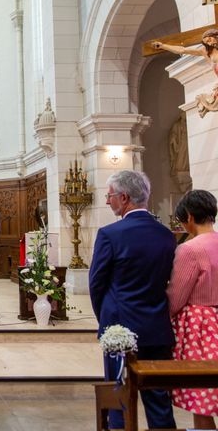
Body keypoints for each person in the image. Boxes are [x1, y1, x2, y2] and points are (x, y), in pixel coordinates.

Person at [89, 170, 177, 430]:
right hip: (156, 328)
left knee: (119, 394)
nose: (108, 201)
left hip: (120, 330)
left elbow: (96, 284)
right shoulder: (166, 235)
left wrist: (106, 319)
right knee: (159, 399)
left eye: (110, 196)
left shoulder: (110, 234)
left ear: (124, 197)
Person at [166, 190, 218, 430]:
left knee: (202, 395)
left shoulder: (190, 249)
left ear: (188, 216)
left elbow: (177, 297)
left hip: (202, 326)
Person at [153, 29, 218, 97]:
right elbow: (182, 50)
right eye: (207, 42)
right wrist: (163, 46)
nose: (209, 43)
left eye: (209, 40)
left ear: (216, 36)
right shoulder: (206, 51)